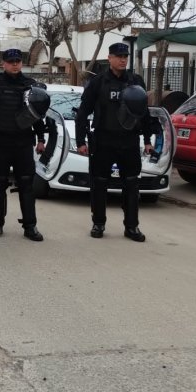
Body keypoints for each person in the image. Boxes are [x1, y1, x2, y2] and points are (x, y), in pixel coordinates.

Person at [76, 42, 154, 242]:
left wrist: (147, 139)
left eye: (125, 56)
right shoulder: (99, 82)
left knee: (131, 184)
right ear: (109, 58)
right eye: (119, 56)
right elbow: (83, 111)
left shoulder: (135, 81)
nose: (123, 60)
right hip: (104, 139)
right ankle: (98, 223)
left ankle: (131, 227)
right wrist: (80, 141)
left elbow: (144, 112)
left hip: (129, 140)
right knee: (99, 183)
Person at [0, 48, 47, 242]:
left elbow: (37, 115)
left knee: (26, 185)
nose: (15, 64)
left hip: (23, 143)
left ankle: (30, 226)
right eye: (11, 61)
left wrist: (41, 139)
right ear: (3, 64)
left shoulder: (30, 85)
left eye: (18, 61)